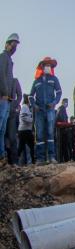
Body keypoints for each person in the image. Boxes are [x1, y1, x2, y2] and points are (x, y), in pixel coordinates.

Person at [30, 57, 62, 164]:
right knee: (39, 134)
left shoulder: (54, 79)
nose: (48, 67)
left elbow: (59, 92)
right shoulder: (36, 81)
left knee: (50, 132)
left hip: (50, 110)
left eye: (50, 65)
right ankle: (40, 158)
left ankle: (51, 157)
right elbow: (30, 96)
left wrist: (54, 103)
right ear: (42, 67)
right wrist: (34, 105)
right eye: (46, 65)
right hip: (39, 111)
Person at [0, 33, 19, 166]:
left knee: (2, 130)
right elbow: (1, 75)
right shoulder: (3, 57)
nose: (14, 47)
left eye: (16, 44)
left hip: (7, 101)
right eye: (13, 44)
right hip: (2, 98)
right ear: (7, 44)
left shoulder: (9, 60)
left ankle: (1, 156)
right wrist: (4, 93)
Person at [5, 78, 22, 165]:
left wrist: (15, 104)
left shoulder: (15, 81)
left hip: (11, 114)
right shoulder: (2, 79)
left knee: (12, 139)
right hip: (3, 112)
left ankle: (15, 162)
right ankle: (6, 161)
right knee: (3, 137)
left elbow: (20, 95)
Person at [18, 95, 35, 165]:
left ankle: (33, 162)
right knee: (27, 146)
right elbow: (23, 117)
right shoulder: (24, 107)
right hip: (24, 130)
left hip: (25, 130)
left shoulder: (26, 107)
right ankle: (33, 162)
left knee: (25, 146)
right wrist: (31, 120)